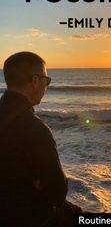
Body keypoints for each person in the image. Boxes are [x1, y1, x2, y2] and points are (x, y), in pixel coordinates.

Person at [0, 52, 82, 227]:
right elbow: (57, 194)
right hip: (29, 217)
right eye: (47, 80)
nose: (47, 86)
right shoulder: (33, 128)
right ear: (35, 81)